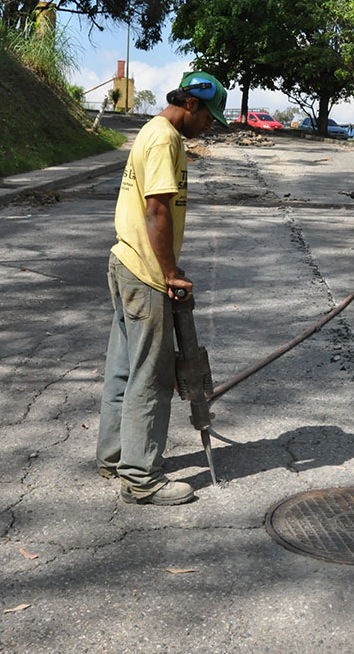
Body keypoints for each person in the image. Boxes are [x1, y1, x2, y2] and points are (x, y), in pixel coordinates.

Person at [96, 70, 228, 505]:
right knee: (151, 377)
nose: (211, 125)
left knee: (123, 368)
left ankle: (116, 456)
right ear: (190, 104)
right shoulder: (166, 139)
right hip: (146, 273)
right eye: (210, 116)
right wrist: (170, 273)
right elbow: (156, 210)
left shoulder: (154, 132)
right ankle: (141, 478)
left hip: (126, 261)